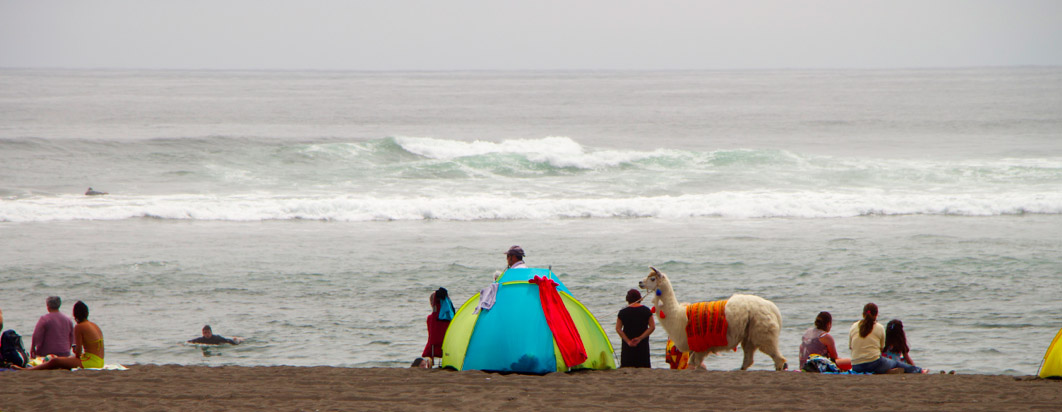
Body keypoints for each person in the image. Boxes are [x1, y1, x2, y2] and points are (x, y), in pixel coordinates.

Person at [19, 301, 103, 370]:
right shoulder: (94, 325)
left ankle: (29, 369)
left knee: (55, 361)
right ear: (87, 312)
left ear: (75, 315)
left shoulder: (79, 327)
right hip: (100, 361)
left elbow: (78, 352)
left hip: (90, 362)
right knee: (65, 361)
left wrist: (75, 355)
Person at [848, 303, 924, 374]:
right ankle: (919, 370)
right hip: (874, 364)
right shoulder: (879, 327)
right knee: (895, 363)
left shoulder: (853, 326)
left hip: (856, 366)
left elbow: (851, 347)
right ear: (876, 315)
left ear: (863, 314)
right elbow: (881, 348)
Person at [616, 288, 654, 368]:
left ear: (627, 299)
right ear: (639, 298)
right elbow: (652, 327)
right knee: (644, 367)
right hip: (642, 344)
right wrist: (640, 338)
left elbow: (618, 328)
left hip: (628, 345)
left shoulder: (623, 311)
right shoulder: (646, 310)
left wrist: (628, 341)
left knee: (627, 366)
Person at [422, 288, 454, 366]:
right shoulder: (450, 318)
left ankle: (430, 361)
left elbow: (431, 335)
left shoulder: (431, 318)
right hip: (447, 347)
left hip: (434, 346)